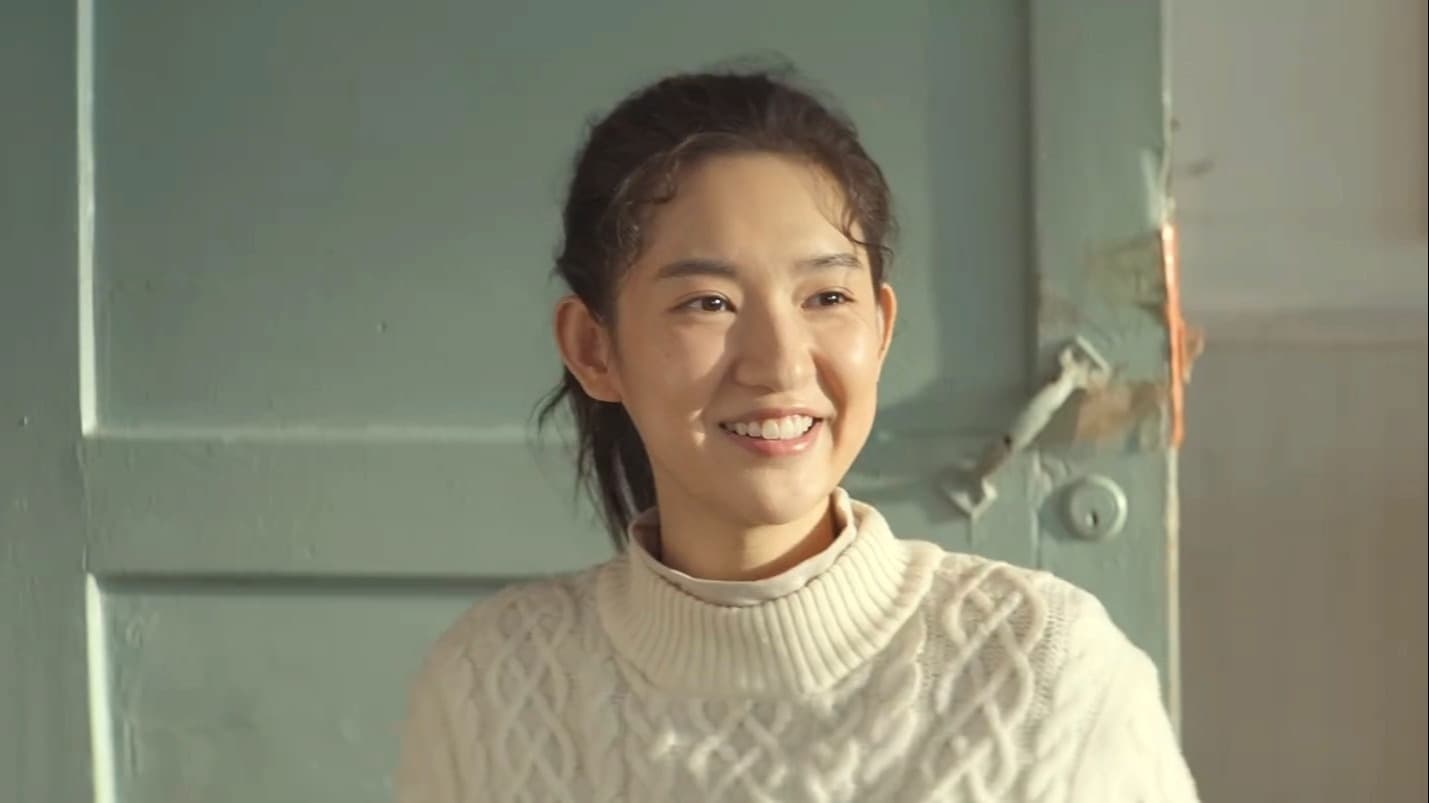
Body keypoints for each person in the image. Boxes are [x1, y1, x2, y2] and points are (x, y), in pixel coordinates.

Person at [394, 64, 1201, 803]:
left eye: (826, 298)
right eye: (708, 303)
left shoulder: (1047, 670)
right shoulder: (489, 686)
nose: (778, 363)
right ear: (592, 349)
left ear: (879, 328)